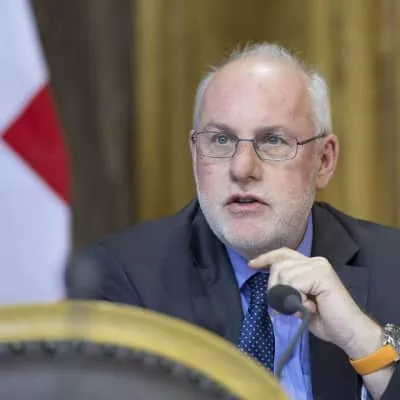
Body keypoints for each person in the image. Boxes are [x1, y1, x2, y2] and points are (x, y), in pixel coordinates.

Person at [67, 43, 400, 399]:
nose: (242, 168)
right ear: (195, 155)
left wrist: (363, 341)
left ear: (324, 160)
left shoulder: (392, 267)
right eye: (221, 140)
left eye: (272, 140)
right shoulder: (124, 282)